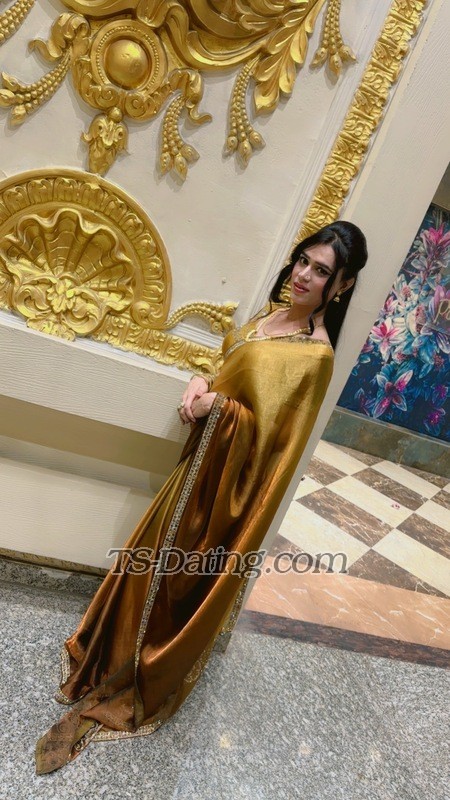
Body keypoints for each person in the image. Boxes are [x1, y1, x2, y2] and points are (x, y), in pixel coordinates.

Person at [35, 220, 368, 774]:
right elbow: (231, 372)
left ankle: (138, 671)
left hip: (218, 496)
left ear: (343, 286)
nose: (304, 276)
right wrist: (201, 384)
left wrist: (222, 412)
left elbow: (271, 452)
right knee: (144, 569)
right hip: (192, 473)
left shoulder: (315, 358)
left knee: (170, 583)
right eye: (303, 261)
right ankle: (109, 652)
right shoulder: (269, 318)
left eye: (321, 271)